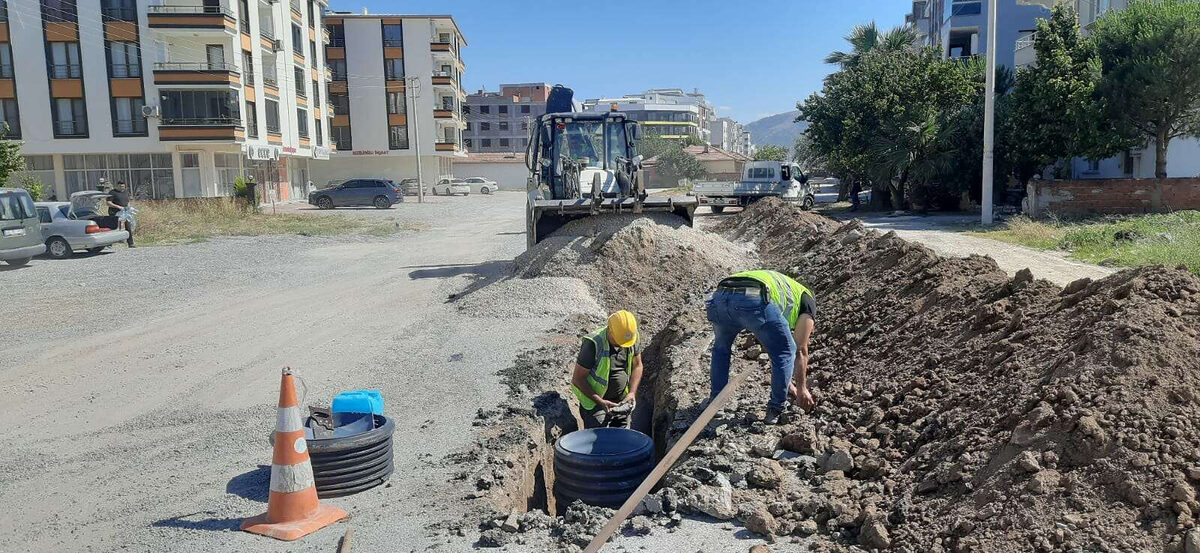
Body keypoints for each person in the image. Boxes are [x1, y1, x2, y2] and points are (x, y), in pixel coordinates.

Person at [707, 270, 817, 424]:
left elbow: (769, 337)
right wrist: (801, 389)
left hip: (719, 296)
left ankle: (715, 403)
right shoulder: (807, 300)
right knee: (786, 351)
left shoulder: (786, 290)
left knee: (721, 349)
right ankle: (776, 408)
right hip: (752, 297)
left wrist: (786, 382)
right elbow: (800, 349)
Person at [571, 310, 644, 429]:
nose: (622, 346)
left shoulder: (630, 337)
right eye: (619, 342)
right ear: (610, 330)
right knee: (598, 440)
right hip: (595, 403)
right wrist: (601, 402)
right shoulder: (593, 344)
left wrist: (632, 393)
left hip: (621, 400)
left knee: (622, 437)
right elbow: (578, 379)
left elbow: (638, 365)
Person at [106, 180, 134, 248]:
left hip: (125, 213)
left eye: (123, 186)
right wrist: (118, 207)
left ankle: (131, 243)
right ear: (117, 186)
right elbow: (108, 203)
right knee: (113, 227)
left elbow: (128, 201)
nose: (122, 188)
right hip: (115, 212)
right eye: (121, 186)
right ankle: (109, 243)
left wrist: (129, 207)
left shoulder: (126, 192)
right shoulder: (112, 192)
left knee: (128, 227)